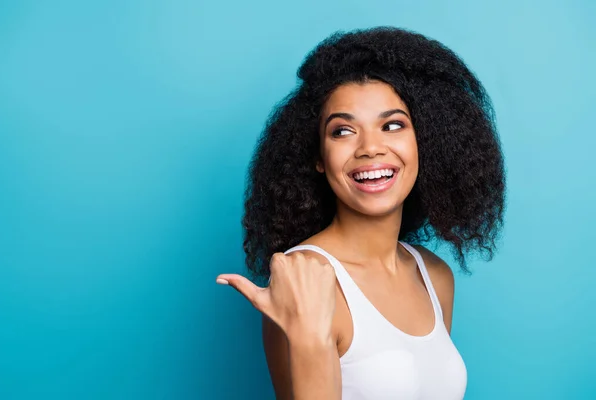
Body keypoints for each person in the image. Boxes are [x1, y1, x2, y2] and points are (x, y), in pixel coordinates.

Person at [216, 26, 506, 400]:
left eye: (392, 125)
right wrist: (309, 337)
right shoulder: (304, 278)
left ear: (424, 141)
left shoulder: (435, 276)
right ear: (319, 158)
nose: (371, 147)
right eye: (342, 131)